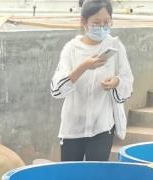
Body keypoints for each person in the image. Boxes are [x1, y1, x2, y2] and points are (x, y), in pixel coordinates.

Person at [50, 0, 134, 161]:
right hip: (73, 126)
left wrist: (116, 82)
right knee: (71, 172)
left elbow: (127, 80)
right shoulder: (71, 49)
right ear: (84, 22)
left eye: (106, 22)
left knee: (96, 172)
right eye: (96, 23)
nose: (102, 27)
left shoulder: (115, 45)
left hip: (102, 125)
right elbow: (56, 90)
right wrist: (84, 66)